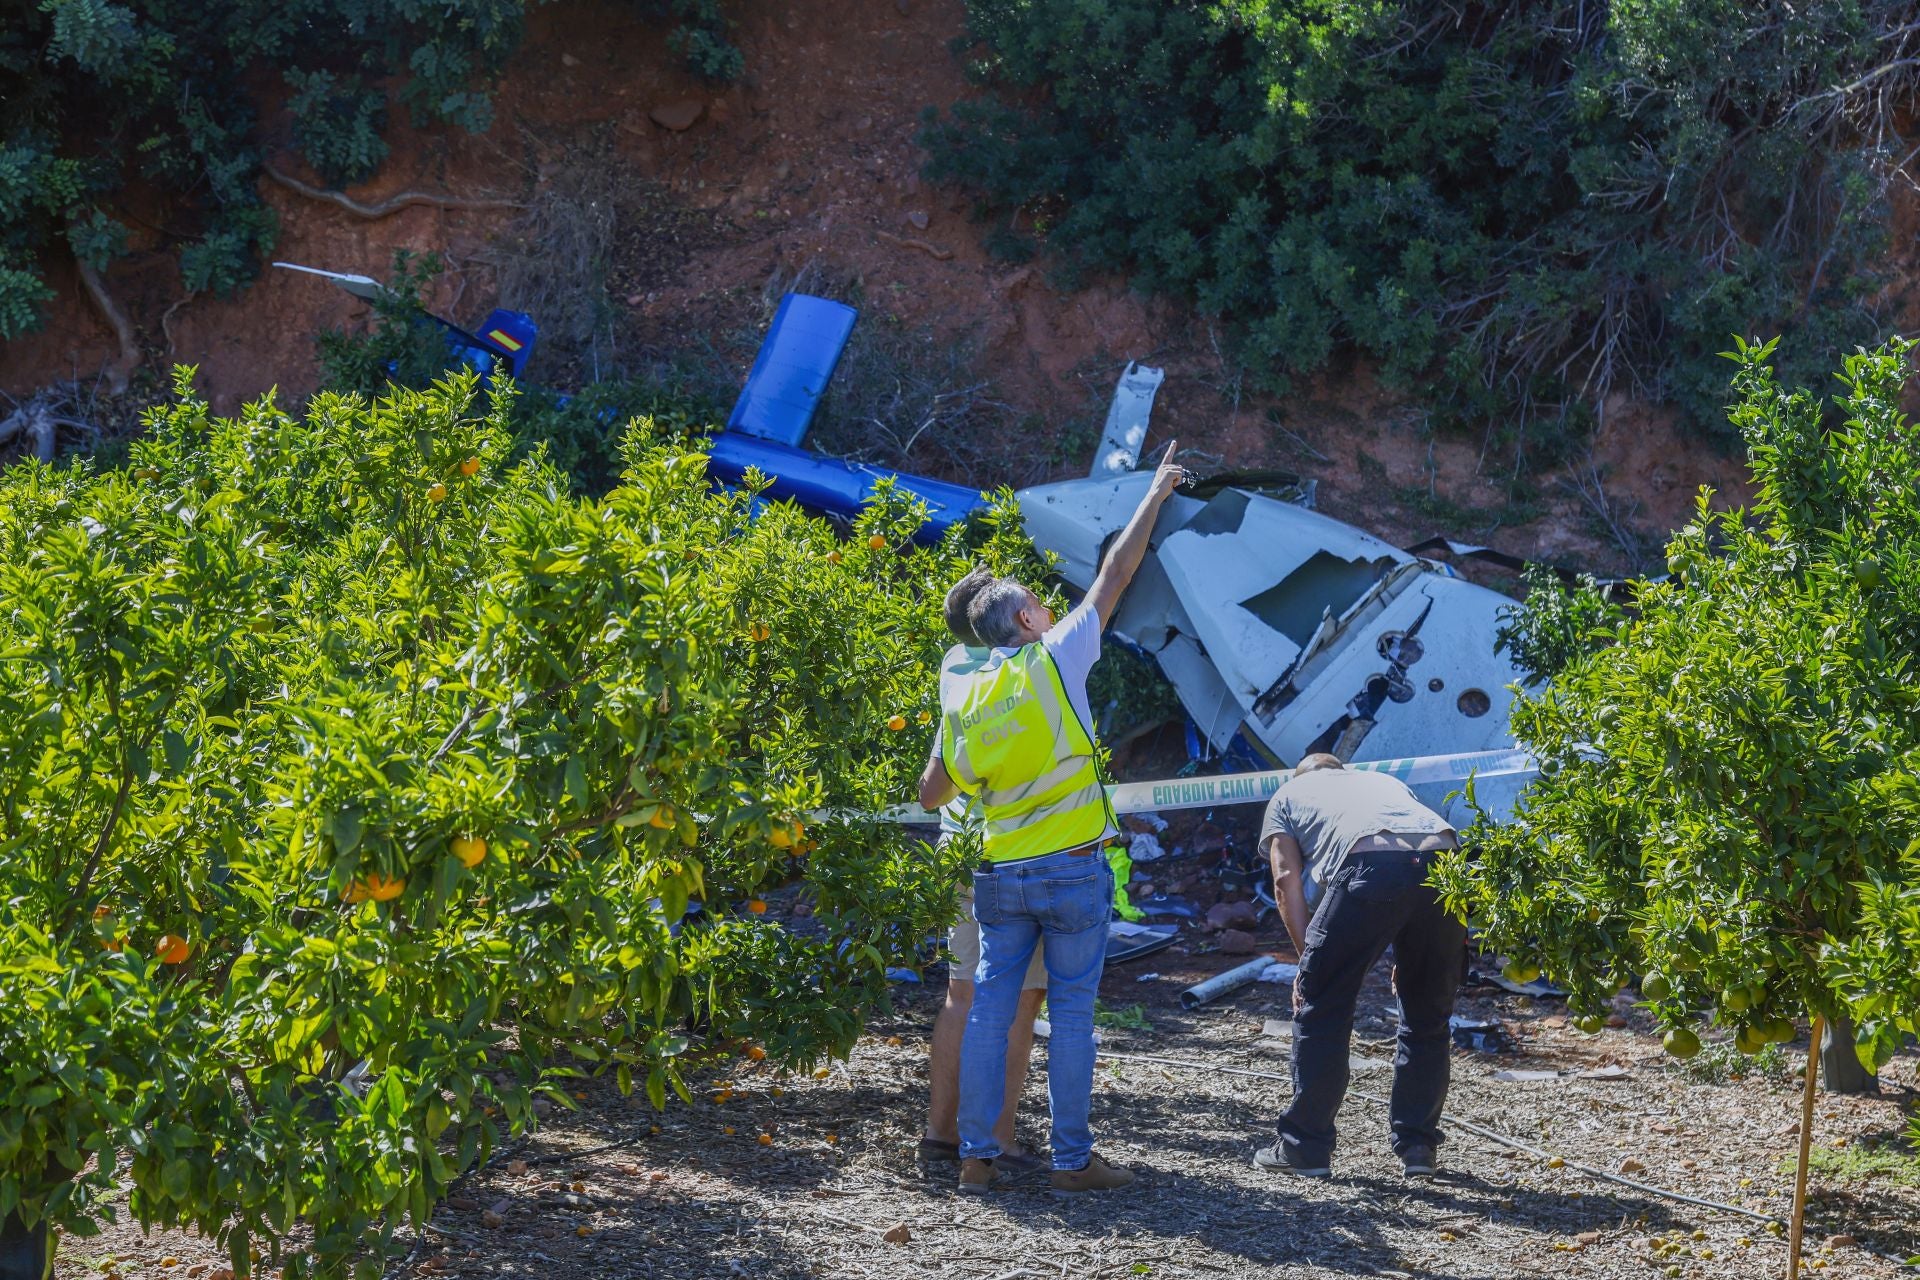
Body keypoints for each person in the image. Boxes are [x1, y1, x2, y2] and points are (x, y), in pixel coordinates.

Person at [919, 441, 1187, 1196]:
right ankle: (1073, 1163)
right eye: (1036, 599)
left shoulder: (962, 689)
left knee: (978, 1008)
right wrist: (1155, 494)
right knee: (1069, 1016)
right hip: (1070, 869)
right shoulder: (1058, 655)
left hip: (996, 874)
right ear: (1028, 617)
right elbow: (1115, 575)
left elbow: (932, 792)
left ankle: (975, 1159)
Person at [1255, 753, 1466, 1180]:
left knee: (1323, 1007)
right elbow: (1413, 860)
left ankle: (1304, 1147)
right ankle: (1418, 1146)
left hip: (1369, 860)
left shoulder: (1288, 793)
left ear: (1301, 775)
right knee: (1427, 1012)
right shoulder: (1382, 784)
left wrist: (1307, 962)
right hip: (1446, 862)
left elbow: (1284, 879)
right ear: (1340, 770)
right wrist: (1414, 945)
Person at [920, 568, 1047, 1173]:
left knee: (961, 994)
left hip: (961, 849)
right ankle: (996, 1140)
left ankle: (940, 1137)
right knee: (1021, 1000)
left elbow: (934, 786)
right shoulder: (1026, 672)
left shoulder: (955, 674)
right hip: (1020, 852)